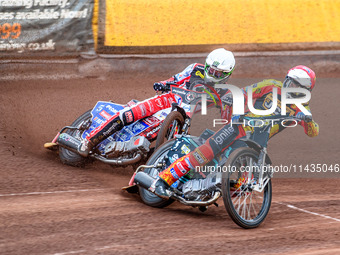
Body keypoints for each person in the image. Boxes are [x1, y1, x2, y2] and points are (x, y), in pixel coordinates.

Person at [145, 65, 320, 199]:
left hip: (258, 143)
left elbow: (313, 132)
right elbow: (243, 95)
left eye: (295, 86)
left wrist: (308, 121)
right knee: (206, 152)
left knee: (248, 185)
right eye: (289, 82)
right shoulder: (271, 86)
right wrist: (238, 114)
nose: (289, 87)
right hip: (238, 127)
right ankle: (162, 180)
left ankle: (210, 189)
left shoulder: (303, 109)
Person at [78, 48, 236, 157]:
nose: (212, 74)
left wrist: (228, 111)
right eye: (210, 69)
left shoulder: (226, 92)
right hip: (170, 99)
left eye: (217, 73)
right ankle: (89, 141)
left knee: (175, 142)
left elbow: (226, 122)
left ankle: (152, 162)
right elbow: (176, 79)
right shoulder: (195, 68)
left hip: (186, 117)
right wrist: (163, 84)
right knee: (130, 113)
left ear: (227, 73)